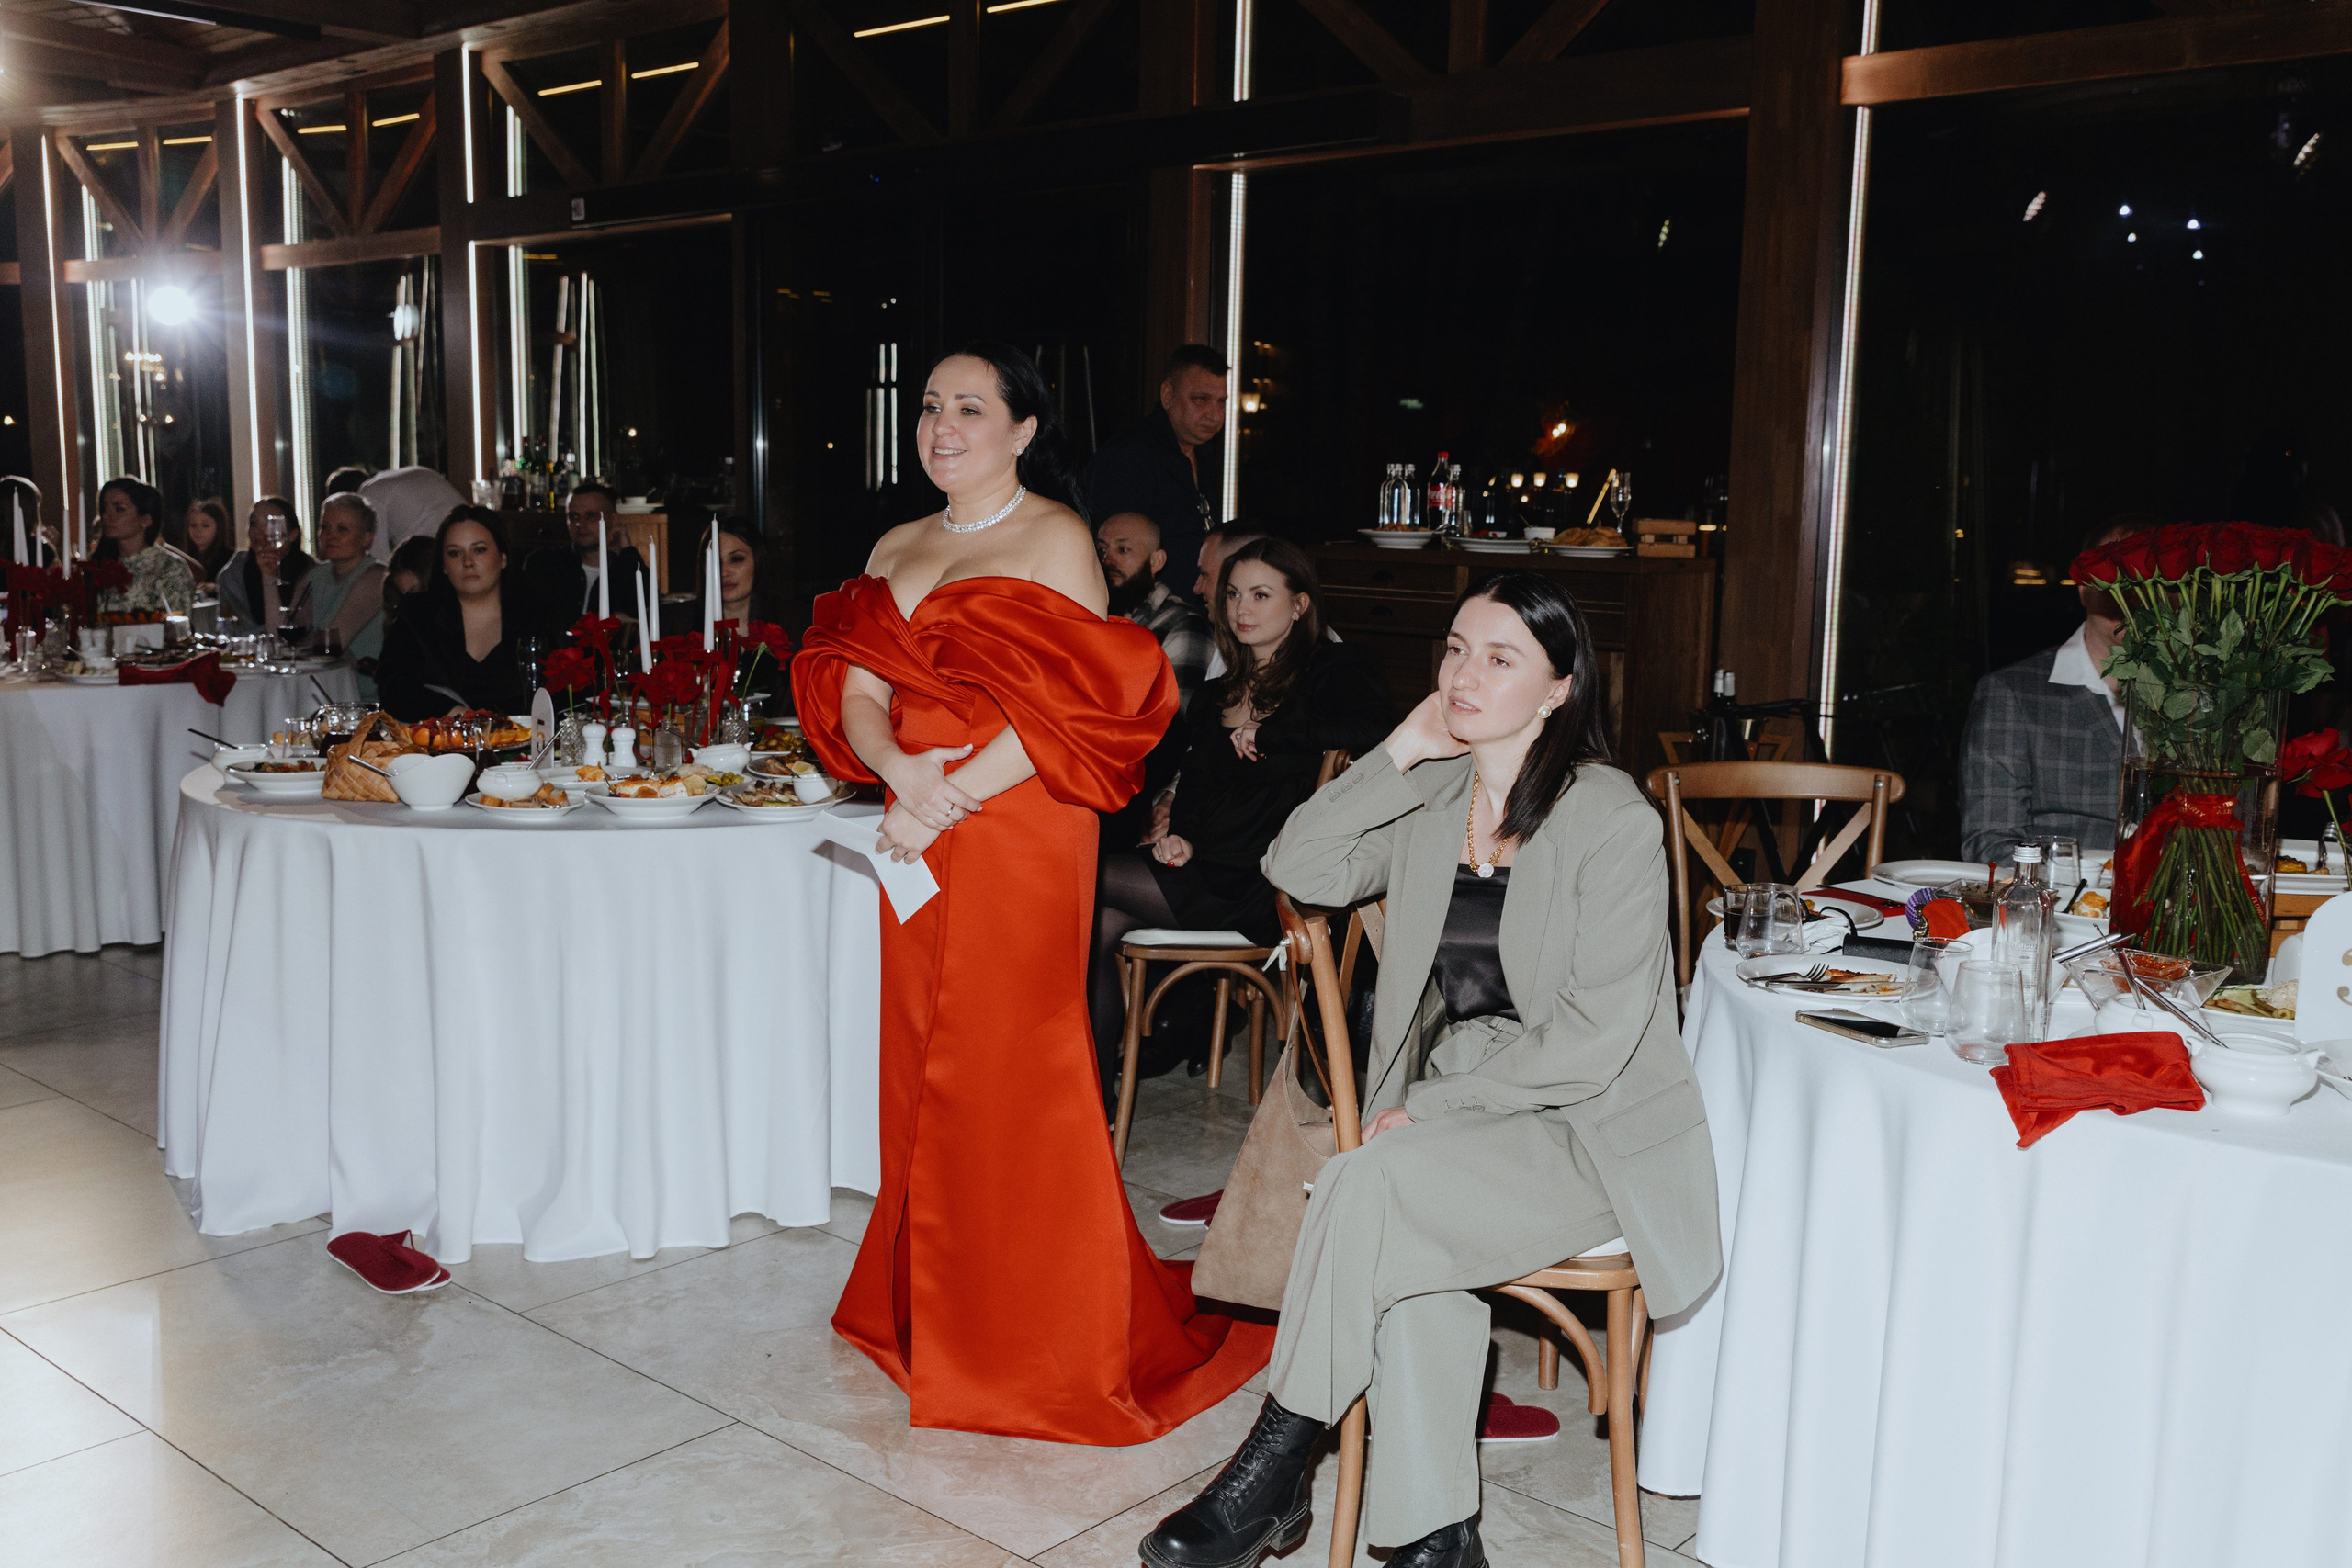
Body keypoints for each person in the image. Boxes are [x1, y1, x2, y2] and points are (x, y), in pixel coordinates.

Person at [1139, 572, 1720, 1568]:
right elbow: (1297, 865)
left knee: (1370, 1186)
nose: (1464, 673)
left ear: (1558, 689)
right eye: (1454, 649)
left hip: (1589, 1124)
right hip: (1460, 1114)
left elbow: (1597, 1034)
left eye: (1499, 657)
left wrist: (1440, 1101)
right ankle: (1432, 1545)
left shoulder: (1609, 816)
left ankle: (1275, 1468)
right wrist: (1400, 748)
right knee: (1399, 1235)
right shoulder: (1433, 797)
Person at [792, 341, 1272, 1444]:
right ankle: (933, 1302)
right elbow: (855, 688)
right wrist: (899, 772)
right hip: (916, 819)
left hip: (1016, 819)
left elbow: (1077, 703)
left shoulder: (1057, 536)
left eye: (971, 408)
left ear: (1020, 430)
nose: (942, 426)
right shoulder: (894, 543)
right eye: (930, 406)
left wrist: (943, 795)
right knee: (920, 1055)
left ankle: (1033, 1330)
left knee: (1009, 1062)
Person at [1091, 536, 1390, 1087]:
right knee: (1097, 923)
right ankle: (1093, 1096)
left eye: (1260, 595)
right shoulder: (1216, 695)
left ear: (1299, 605)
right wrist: (1179, 834)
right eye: (1232, 594)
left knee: (1083, 879)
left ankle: (1080, 1087)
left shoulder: (1334, 668)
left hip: (1270, 877)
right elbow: (1198, 787)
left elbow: (1378, 731)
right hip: (1210, 867)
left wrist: (1271, 733)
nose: (1241, 609)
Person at [1960, 515, 2156, 863]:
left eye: (2151, 577)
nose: (2134, 593)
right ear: (2083, 589)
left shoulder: (2202, 696)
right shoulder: (2015, 694)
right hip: (2065, 892)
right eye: (2117, 575)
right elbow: (1991, 845)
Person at [1084, 344, 1229, 601]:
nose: (1214, 414)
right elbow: (1109, 559)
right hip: (1145, 615)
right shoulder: (1129, 457)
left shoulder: (1206, 455)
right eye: (1200, 400)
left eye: (1221, 402)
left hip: (1198, 608)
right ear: (1167, 395)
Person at [376, 506, 535, 721]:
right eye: (454, 553)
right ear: (443, 566)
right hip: (441, 739)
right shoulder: (417, 614)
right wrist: (457, 714)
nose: (467, 562)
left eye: (479, 550)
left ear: (503, 558)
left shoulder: (536, 616)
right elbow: (394, 686)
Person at [1099, 511, 1211, 711]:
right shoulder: (1094, 613)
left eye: (1123, 550)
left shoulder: (1183, 622)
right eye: (1101, 550)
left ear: (1156, 561)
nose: (1107, 560)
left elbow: (1174, 716)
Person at [292, 494, 389, 699]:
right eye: (325, 527)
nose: (330, 536)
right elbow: (287, 634)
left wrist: (305, 642)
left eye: (342, 529)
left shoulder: (376, 577)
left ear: (367, 537)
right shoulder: (316, 576)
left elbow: (331, 644)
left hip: (363, 697)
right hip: (320, 689)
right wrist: (268, 577)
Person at [524, 479, 647, 631]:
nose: (580, 525)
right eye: (574, 517)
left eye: (591, 516)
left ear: (614, 519)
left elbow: (646, 610)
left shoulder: (624, 570)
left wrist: (627, 549)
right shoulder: (545, 564)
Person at [711, 516, 791, 708]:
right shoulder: (686, 629)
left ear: (758, 561)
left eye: (736, 559)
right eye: (715, 561)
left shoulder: (791, 624)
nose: (724, 571)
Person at [88, 476, 197, 616]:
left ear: (146, 520)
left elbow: (177, 623)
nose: (107, 516)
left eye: (119, 509)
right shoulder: (102, 565)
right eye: (104, 508)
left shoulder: (170, 567)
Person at [358, 465, 467, 561]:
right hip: (469, 537)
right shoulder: (416, 470)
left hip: (433, 557)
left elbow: (377, 560)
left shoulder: (368, 493)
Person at [175, 497, 233, 584]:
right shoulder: (185, 558)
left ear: (218, 527)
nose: (198, 530)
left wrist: (215, 587)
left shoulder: (230, 559)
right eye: (193, 525)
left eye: (205, 525)